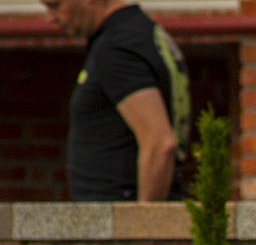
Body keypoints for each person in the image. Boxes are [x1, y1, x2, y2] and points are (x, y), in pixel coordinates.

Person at [42, 0, 190, 201]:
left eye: (55, 5)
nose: (50, 18)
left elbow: (159, 144)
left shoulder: (119, 46)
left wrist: (143, 228)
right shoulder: (143, 34)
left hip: (120, 217)